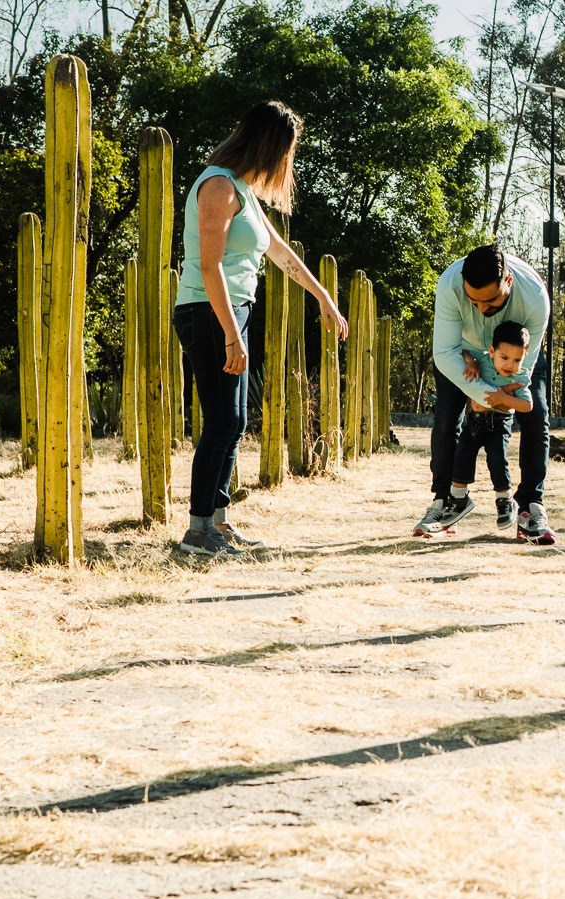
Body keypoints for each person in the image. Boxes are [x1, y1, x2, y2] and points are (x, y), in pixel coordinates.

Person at [173, 101, 348, 558]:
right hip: (208, 312)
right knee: (223, 420)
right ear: (270, 146)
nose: (287, 163)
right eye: (287, 151)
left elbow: (279, 251)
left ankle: (219, 521)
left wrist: (322, 296)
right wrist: (231, 333)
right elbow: (208, 267)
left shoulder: (243, 192)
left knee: (236, 422)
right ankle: (197, 531)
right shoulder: (218, 187)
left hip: (233, 312)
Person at [414, 243, 555, 545]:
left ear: (508, 282)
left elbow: (520, 375)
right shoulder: (450, 284)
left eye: (490, 303)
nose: (480, 309)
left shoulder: (534, 299)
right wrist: (480, 388)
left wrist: (495, 398)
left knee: (538, 415)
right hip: (461, 356)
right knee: (445, 418)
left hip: (514, 359)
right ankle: (446, 500)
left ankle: (530, 505)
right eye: (473, 301)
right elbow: (444, 352)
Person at [427, 321, 532, 534]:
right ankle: (459, 500)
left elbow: (527, 405)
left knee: (497, 461)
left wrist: (503, 397)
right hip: (473, 421)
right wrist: (471, 362)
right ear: (492, 351)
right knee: (461, 458)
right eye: (504, 357)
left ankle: (504, 502)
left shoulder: (519, 378)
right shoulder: (483, 361)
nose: (510, 364)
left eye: (517, 360)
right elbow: (465, 351)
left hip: (499, 424)